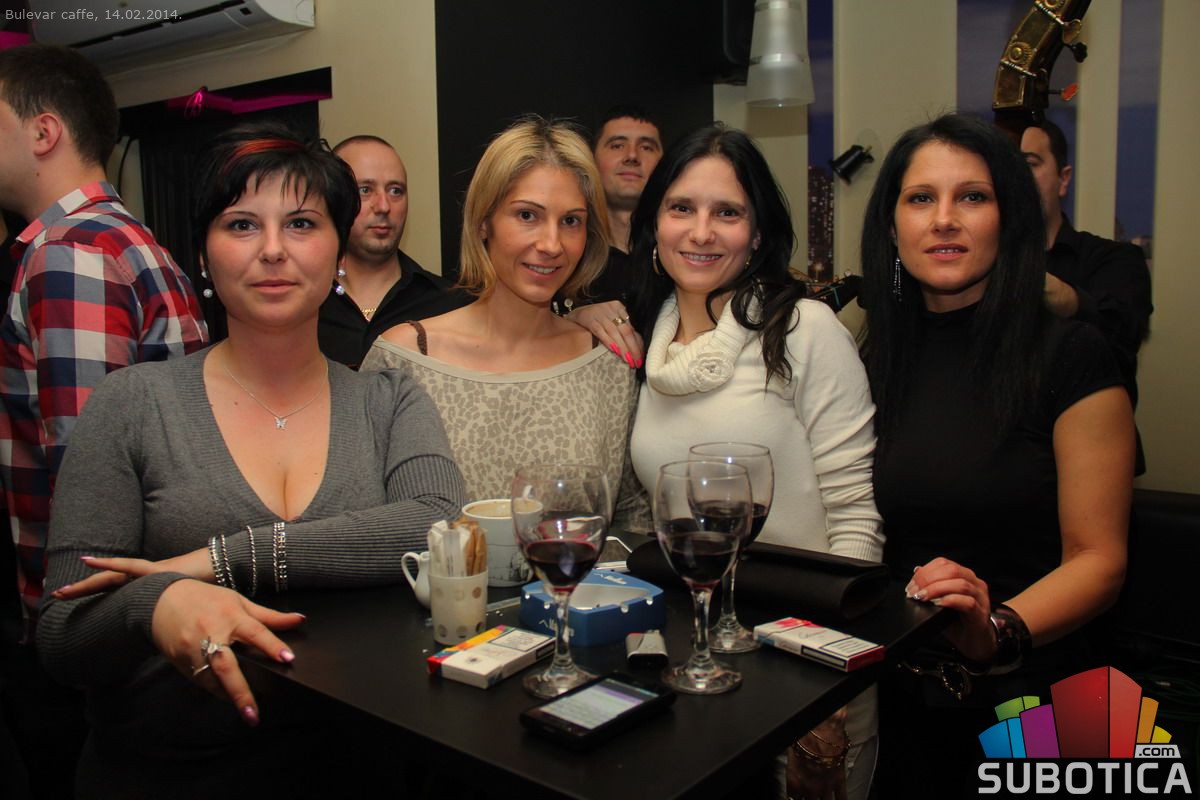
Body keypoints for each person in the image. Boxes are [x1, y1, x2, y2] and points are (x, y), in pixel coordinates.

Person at [36, 123, 466, 798]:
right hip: (166, 777)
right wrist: (158, 603)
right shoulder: (133, 405)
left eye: (301, 224)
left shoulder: (389, 398)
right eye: (241, 224)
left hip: (361, 768)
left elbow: (436, 525)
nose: (272, 250)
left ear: (338, 252)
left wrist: (227, 560)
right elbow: (63, 634)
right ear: (203, 257)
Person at [860, 114, 1133, 794]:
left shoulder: (1072, 355)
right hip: (900, 700)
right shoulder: (868, 358)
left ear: (1008, 219)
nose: (944, 219)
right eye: (921, 198)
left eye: (973, 197)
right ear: (892, 226)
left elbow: (1099, 560)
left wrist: (997, 630)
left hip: (1038, 699)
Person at [624, 124, 883, 800]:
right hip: (693, 657)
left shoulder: (802, 330)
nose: (701, 232)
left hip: (805, 655)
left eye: (728, 212)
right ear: (654, 225)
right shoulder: (645, 342)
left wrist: (831, 681)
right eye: (682, 208)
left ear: (758, 234)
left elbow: (856, 517)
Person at [0, 44, 207, 799]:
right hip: (144, 620)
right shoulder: (127, 239)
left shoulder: (71, 253)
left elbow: (88, 483)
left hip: (92, 635)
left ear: (43, 131)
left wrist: (75, 640)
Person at [362, 117, 647, 529]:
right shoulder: (403, 361)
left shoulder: (608, 363)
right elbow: (367, 515)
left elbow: (632, 520)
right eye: (527, 215)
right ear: (484, 221)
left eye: (571, 221)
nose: (551, 244)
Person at [1020, 120, 1152, 470]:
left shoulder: (1114, 259)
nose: (1016, 178)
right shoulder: (967, 269)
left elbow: (1122, 335)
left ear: (1063, 179)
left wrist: (1065, 297)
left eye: (1030, 164)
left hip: (1088, 463)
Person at [318, 135, 469, 368]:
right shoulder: (304, 303)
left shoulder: (451, 306)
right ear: (332, 200)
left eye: (395, 191)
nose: (384, 206)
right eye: (365, 190)